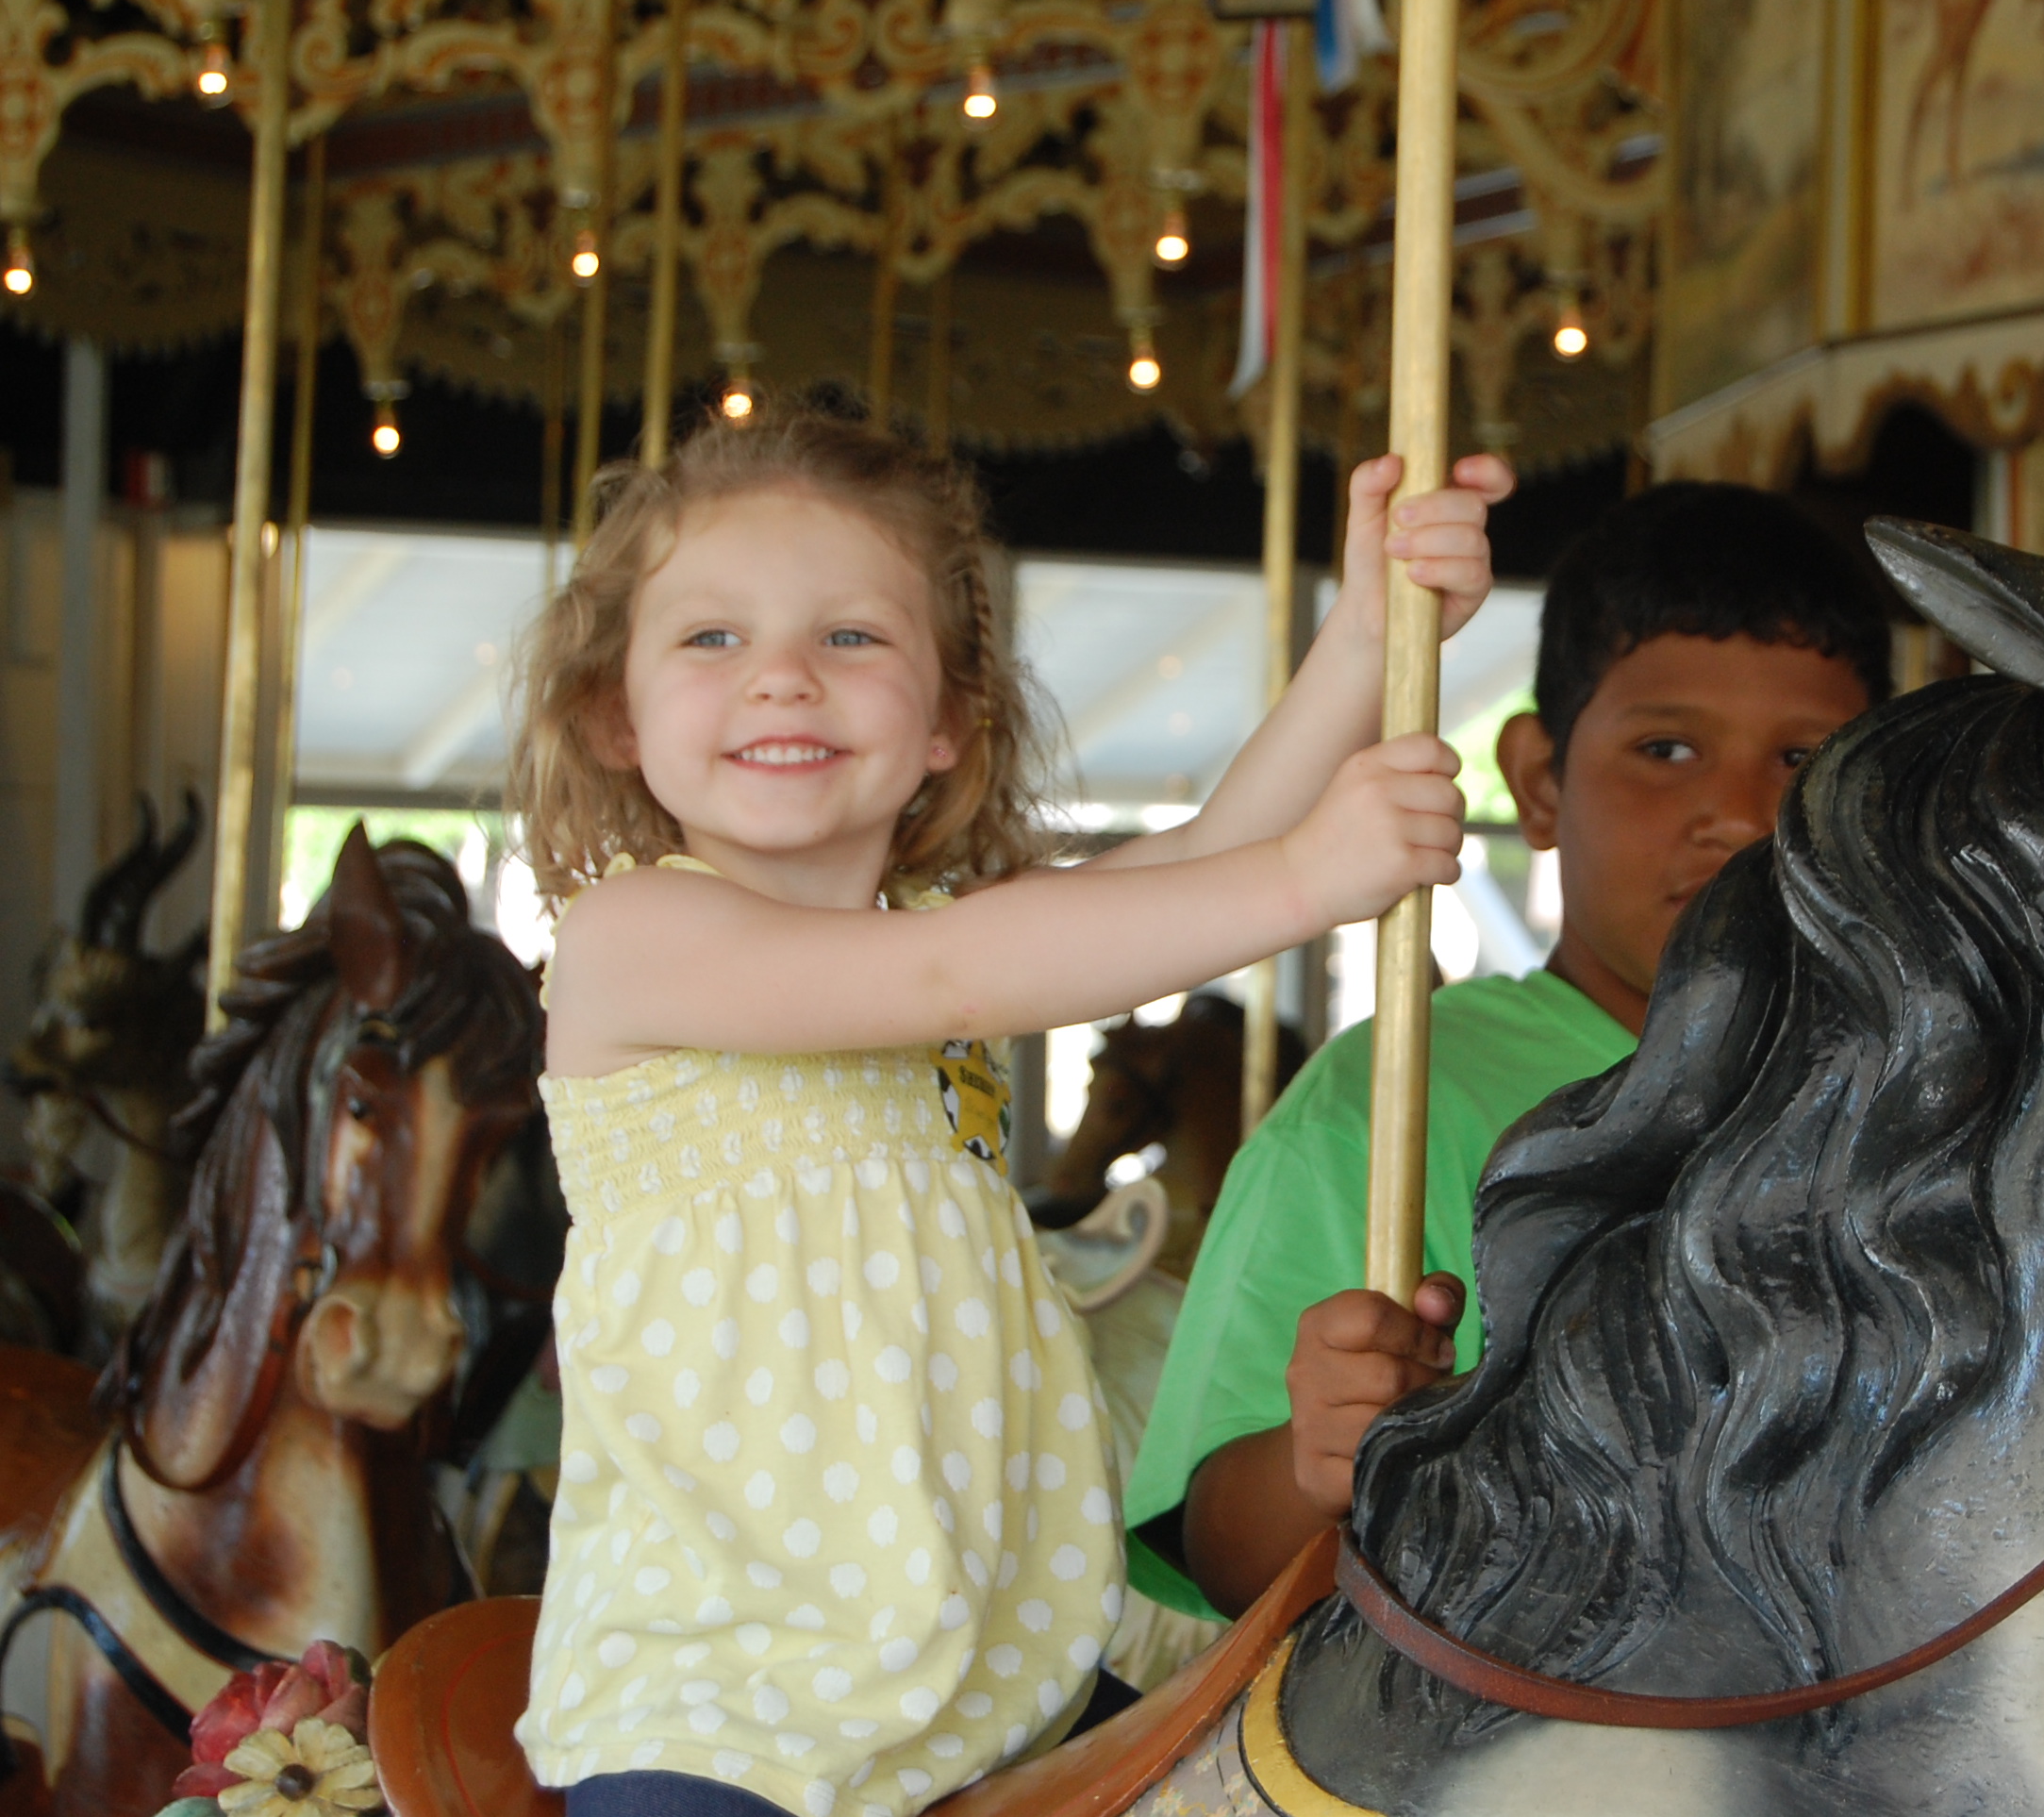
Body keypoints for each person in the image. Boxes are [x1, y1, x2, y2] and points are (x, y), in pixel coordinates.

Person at [501, 399, 1512, 1817]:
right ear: (614, 712)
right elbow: (957, 971)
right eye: (711, 637)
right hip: (726, 1706)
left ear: (946, 723)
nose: (783, 678)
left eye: (850, 637)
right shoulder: (631, 943)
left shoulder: (946, 934)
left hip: (1002, 1671)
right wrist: (1305, 882)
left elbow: (1196, 859)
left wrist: (1365, 635)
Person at [1125, 481, 1898, 1619]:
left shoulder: (1914, 1089)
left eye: (1799, 761)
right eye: (1666, 747)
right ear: (1538, 780)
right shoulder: (1392, 1102)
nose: (1735, 813)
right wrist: (1323, 1453)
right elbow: (1224, 1554)